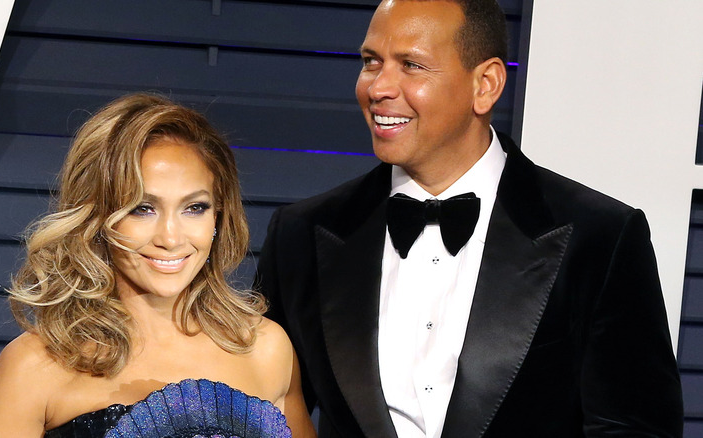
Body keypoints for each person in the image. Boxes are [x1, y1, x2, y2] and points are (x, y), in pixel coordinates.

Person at [254, 0, 683, 437]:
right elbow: (264, 413)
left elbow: (635, 430)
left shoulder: (601, 238)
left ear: (486, 84)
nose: (378, 87)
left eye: (411, 65)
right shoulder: (300, 235)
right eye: (371, 62)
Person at [0, 93, 316, 438]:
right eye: (141, 208)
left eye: (194, 207)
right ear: (98, 216)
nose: (171, 237)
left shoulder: (265, 348)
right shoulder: (34, 367)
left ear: (219, 216)